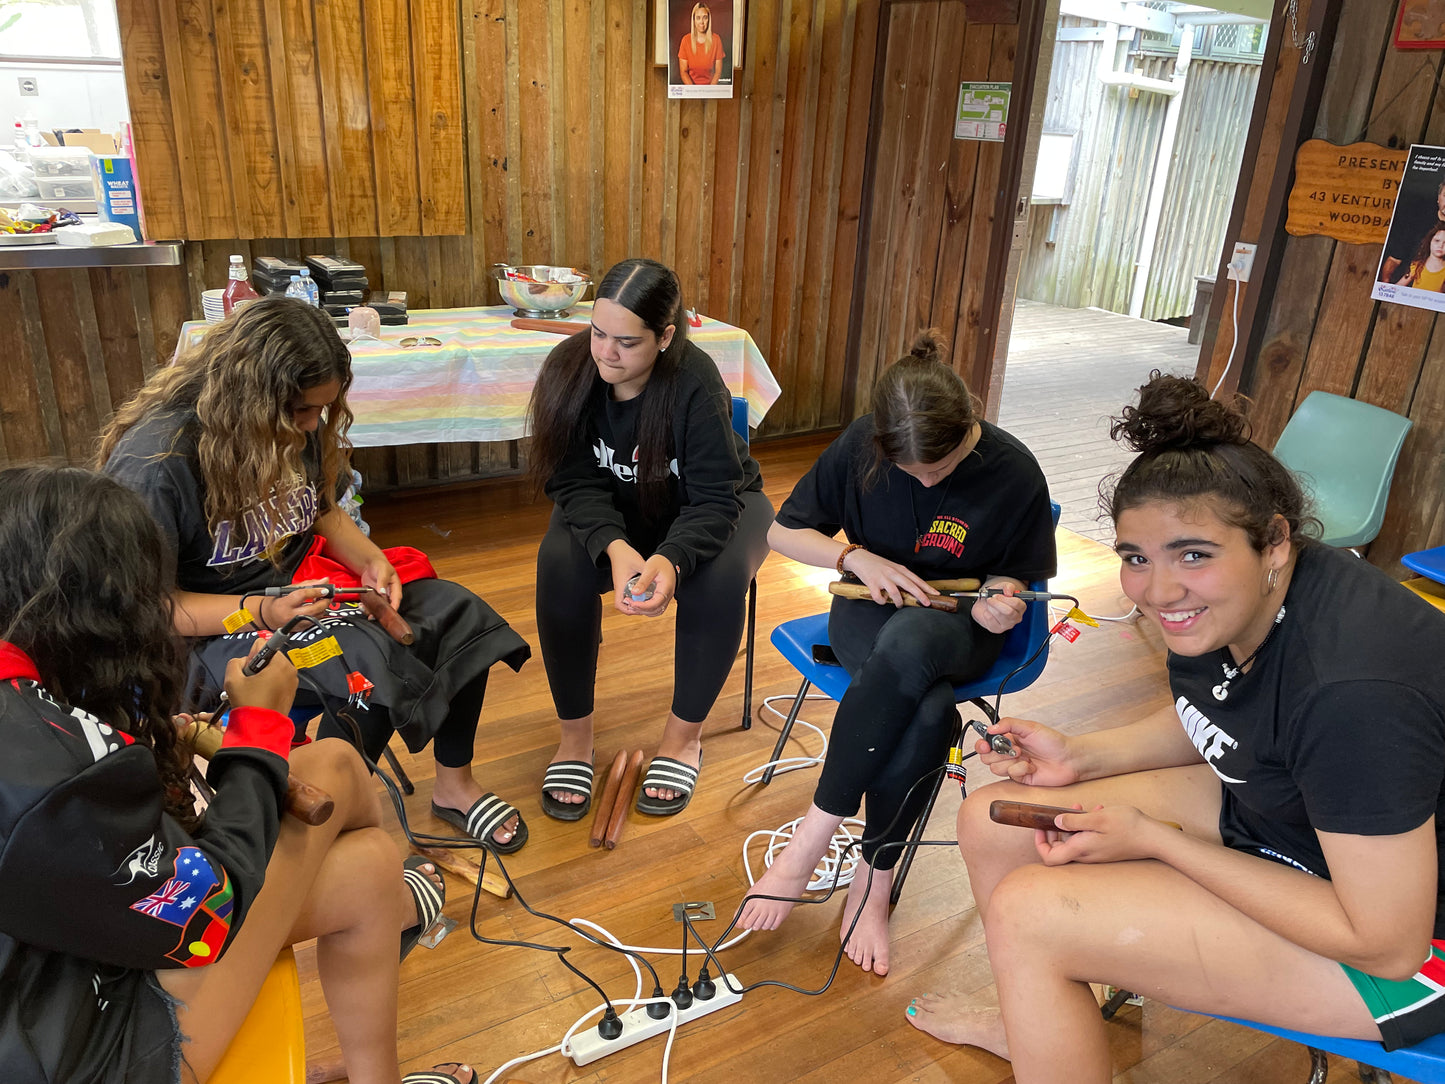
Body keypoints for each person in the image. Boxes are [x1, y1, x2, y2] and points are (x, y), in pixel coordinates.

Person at [904, 373, 1445, 1084]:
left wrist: (1155, 840)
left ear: (1274, 541)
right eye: (1136, 558)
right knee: (992, 820)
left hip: (1415, 948)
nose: (1157, 590)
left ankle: (1044, 984)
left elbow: (1384, 944)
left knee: (1032, 916)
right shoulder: (1248, 599)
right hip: (1303, 833)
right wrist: (1081, 756)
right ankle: (1034, 1019)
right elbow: (1228, 713)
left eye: (1193, 554)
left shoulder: (1352, 691)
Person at [0, 464, 473, 1084]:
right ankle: (399, 910)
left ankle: (390, 949)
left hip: (54, 965)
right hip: (87, 1044)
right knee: (365, 854)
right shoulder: (51, 769)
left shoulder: (33, 722)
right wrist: (258, 724)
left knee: (358, 838)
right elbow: (207, 914)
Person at [100, 298, 532, 854]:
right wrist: (260, 609)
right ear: (251, 396)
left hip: (292, 594)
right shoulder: (157, 464)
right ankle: (327, 833)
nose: (310, 426)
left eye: (321, 412)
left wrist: (369, 559)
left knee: (454, 614)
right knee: (361, 670)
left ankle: (454, 786)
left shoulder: (287, 422)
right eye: (301, 412)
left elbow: (319, 508)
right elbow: (147, 608)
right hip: (204, 634)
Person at [740, 329, 1057, 976]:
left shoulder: (1011, 468)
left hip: (956, 622)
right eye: (907, 470)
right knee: (930, 710)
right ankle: (873, 879)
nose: (921, 480)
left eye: (935, 471)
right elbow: (782, 532)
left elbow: (1011, 577)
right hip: (864, 605)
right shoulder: (860, 443)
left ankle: (811, 839)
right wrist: (856, 557)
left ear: (969, 427)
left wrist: (1003, 602)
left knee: (914, 642)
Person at [528, 257, 772, 820]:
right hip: (623, 510)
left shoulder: (694, 382)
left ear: (665, 336)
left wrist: (672, 558)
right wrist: (616, 548)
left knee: (716, 581)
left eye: (626, 342)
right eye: (597, 333)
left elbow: (716, 499)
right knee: (560, 564)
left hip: (722, 504)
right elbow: (570, 481)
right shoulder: (570, 371)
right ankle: (575, 739)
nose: (605, 353)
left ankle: (683, 739)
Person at [677, 2, 724, 86]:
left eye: (705, 18)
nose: (701, 22)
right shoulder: (685, 40)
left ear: (709, 19)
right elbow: (683, 72)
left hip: (711, 89)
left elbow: (718, 71)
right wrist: (694, 92)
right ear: (694, 20)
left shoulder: (716, 40)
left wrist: (709, 92)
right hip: (691, 89)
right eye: (698, 18)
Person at [1400, 224, 1445, 291]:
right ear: (1430, 241)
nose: (1440, 245)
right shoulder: (1417, 265)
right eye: (1437, 241)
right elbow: (1398, 286)